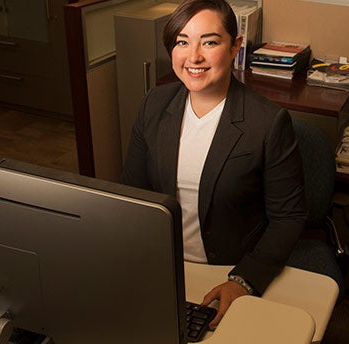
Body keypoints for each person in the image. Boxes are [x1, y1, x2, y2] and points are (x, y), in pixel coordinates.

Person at [120, 0, 307, 328]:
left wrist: (244, 280)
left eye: (209, 41)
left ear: (235, 46)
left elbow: (289, 217)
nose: (193, 57)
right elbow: (131, 194)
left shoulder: (268, 123)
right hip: (161, 266)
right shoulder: (153, 105)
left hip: (228, 271)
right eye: (182, 42)